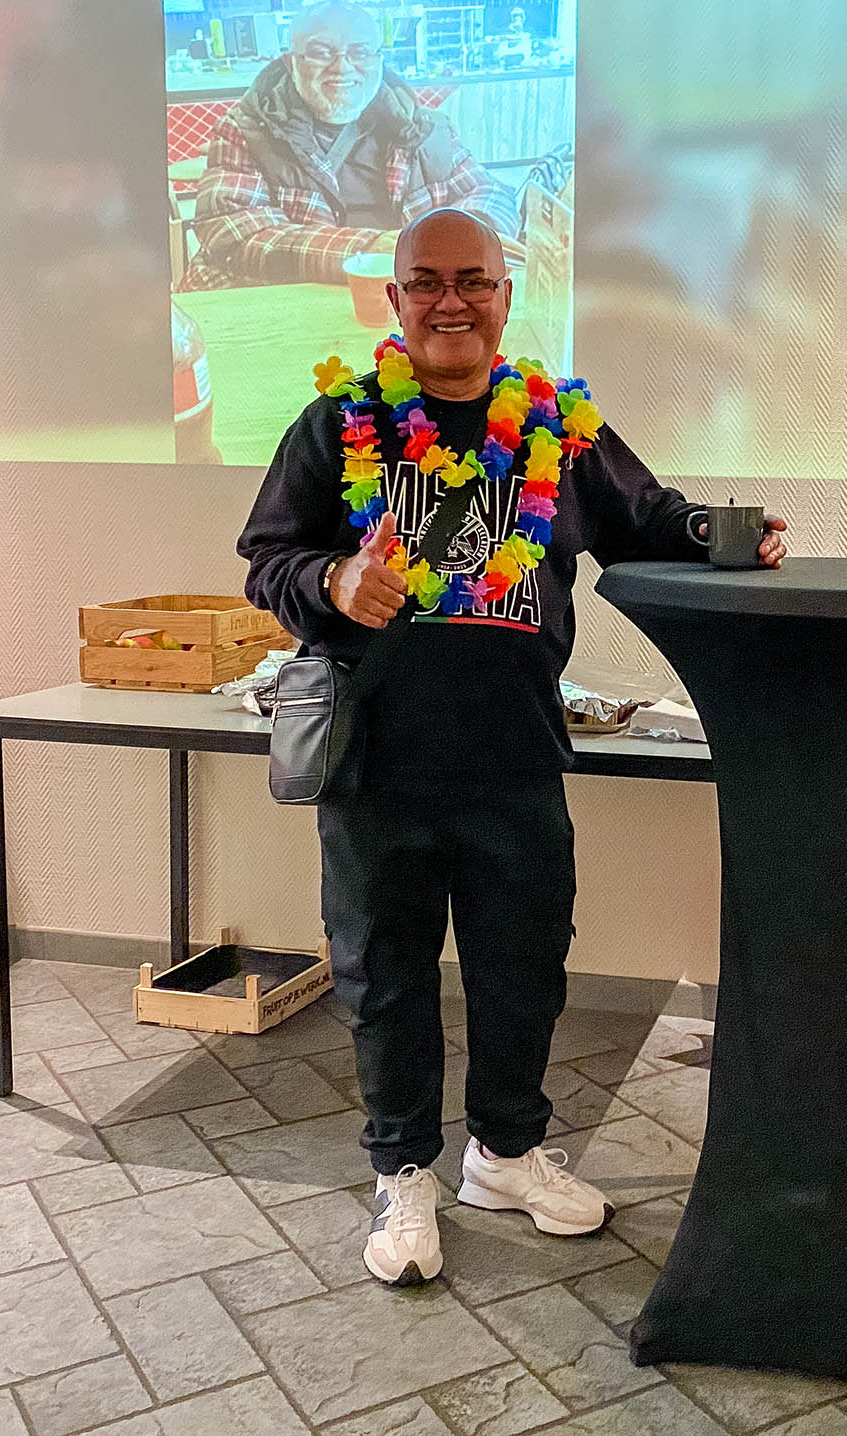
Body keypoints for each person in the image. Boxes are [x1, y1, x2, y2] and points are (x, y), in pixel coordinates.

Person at [238, 207, 786, 1288]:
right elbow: (269, 559)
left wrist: (727, 535)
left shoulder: (557, 427)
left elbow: (647, 517)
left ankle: (504, 1155)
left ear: (505, 292)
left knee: (522, 969)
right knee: (385, 978)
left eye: (473, 281)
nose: (451, 302)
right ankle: (403, 1173)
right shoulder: (337, 423)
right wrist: (334, 580)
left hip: (516, 755)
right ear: (394, 298)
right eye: (427, 282)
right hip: (377, 762)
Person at [180, 3, 518, 291]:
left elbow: (490, 193)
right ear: (290, 62)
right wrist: (379, 252)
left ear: (378, 59)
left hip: (404, 308)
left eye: (360, 52)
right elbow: (236, 235)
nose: (342, 67)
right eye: (320, 52)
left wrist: (467, 237)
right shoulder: (247, 128)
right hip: (289, 307)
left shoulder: (425, 129)